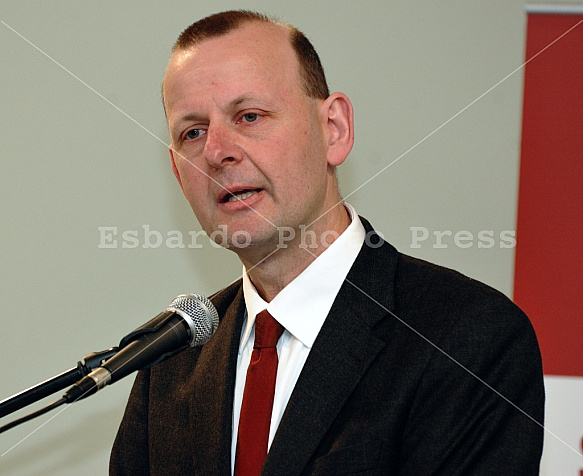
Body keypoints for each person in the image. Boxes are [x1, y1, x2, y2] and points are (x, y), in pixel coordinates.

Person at [110, 10, 544, 475]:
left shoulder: (469, 338)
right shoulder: (168, 365)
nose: (217, 152)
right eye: (192, 133)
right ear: (179, 173)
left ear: (333, 130)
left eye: (250, 116)